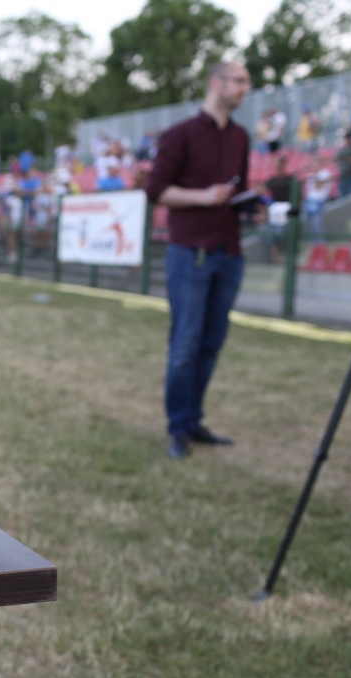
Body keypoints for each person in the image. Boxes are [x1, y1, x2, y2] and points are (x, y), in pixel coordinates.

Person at [144, 61, 252, 460]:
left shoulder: (240, 137)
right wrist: (202, 197)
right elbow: (155, 190)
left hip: (229, 252)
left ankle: (192, 420)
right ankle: (177, 427)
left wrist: (250, 206)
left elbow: (238, 189)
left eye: (246, 82)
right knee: (185, 344)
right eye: (239, 81)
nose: (245, 88)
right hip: (191, 253)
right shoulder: (181, 134)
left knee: (210, 343)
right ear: (216, 83)